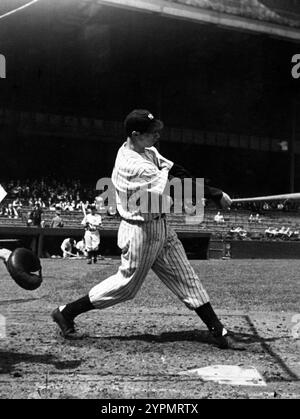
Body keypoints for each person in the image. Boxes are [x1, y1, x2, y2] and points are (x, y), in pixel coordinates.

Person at [51, 108, 243, 350]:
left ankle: (219, 331)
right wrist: (214, 194)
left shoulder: (147, 150)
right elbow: (175, 185)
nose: (157, 136)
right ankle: (66, 312)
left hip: (160, 224)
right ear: (135, 134)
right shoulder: (131, 164)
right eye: (152, 133)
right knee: (126, 287)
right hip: (139, 230)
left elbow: (176, 171)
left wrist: (208, 191)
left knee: (187, 277)